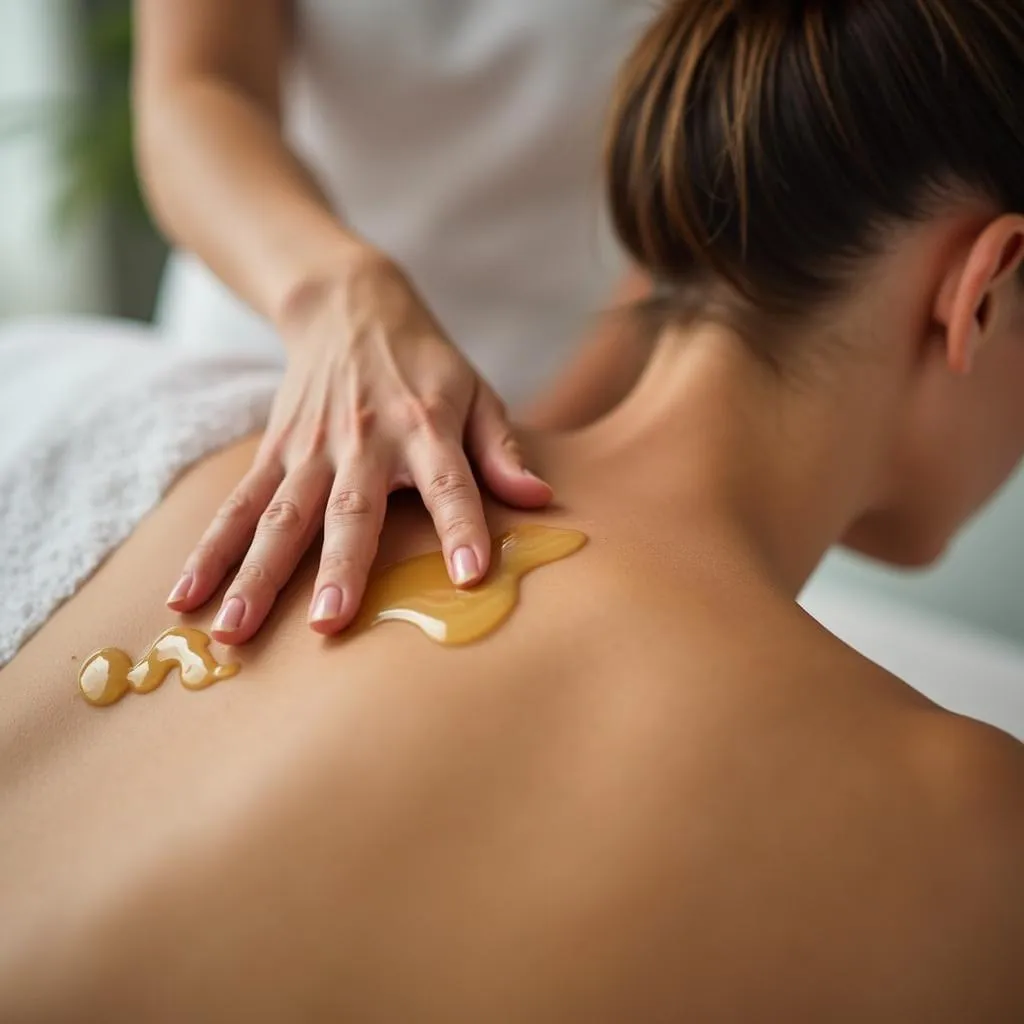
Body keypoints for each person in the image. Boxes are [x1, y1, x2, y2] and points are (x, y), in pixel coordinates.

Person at [3, 0, 1024, 1018]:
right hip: (309, 339)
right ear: (983, 285)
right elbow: (197, 84)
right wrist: (342, 293)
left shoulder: (92, 404)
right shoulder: (976, 824)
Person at [133, 0, 656, 645]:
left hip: (577, 393)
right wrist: (339, 294)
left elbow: (717, 192)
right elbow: (198, 87)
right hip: (273, 334)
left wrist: (540, 452)